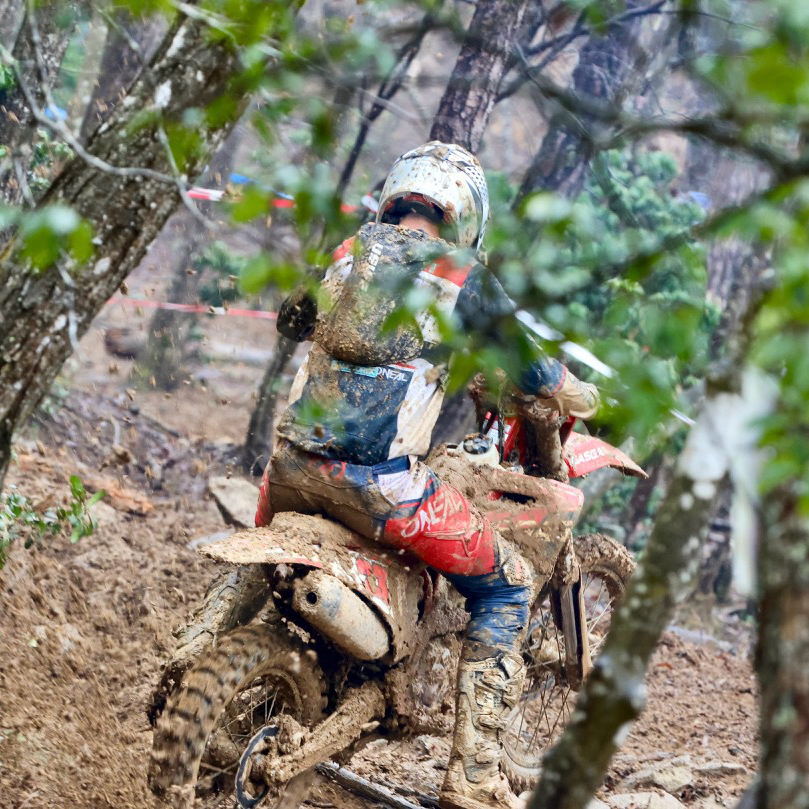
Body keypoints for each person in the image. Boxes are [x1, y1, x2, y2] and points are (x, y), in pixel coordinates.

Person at [255, 141, 599, 809]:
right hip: (380, 487)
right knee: (508, 585)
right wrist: (582, 394)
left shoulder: (348, 251)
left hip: (288, 468)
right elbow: (537, 373)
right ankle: (473, 776)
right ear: (466, 214)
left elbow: (290, 320)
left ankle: (203, 648)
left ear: (396, 195)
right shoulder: (463, 275)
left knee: (269, 551)